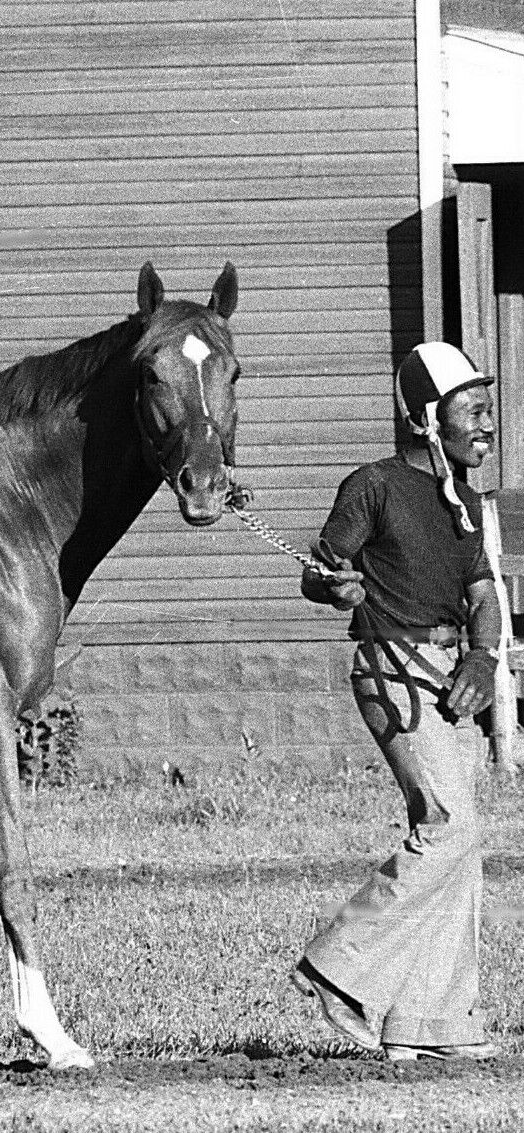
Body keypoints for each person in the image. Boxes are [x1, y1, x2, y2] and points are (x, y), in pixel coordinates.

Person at [291, 341, 502, 1062]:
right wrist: (334, 585)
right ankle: (336, 971)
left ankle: (434, 1021)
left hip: (448, 674)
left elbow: (482, 596)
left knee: (461, 841)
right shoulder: (373, 485)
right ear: (425, 420)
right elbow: (324, 569)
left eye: (486, 410)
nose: (485, 424)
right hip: (392, 665)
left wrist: (481, 653)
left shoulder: (465, 502)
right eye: (470, 411)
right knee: (450, 824)